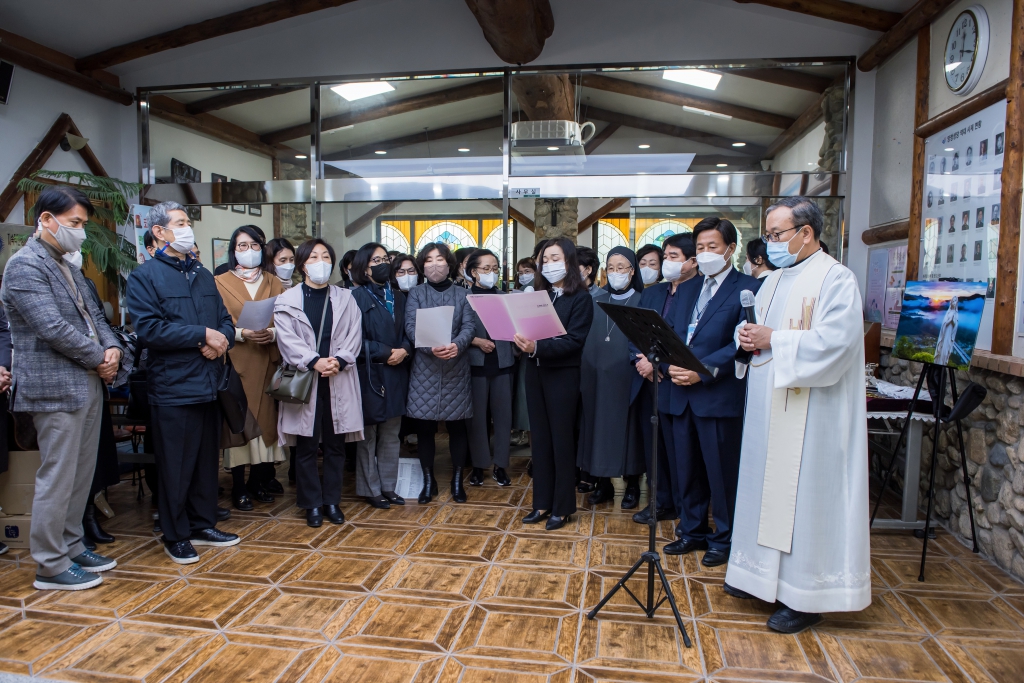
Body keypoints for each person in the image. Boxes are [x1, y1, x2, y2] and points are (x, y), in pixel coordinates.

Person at [728, 196, 869, 634]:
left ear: (806, 233)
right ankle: (760, 577)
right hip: (770, 406)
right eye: (768, 236)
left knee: (806, 497)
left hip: (814, 413)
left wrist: (777, 340)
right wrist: (747, 336)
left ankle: (806, 594)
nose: (769, 244)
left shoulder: (836, 279)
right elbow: (757, 333)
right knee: (764, 489)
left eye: (776, 235)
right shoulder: (773, 281)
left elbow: (837, 345)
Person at [1, 187, 122, 589]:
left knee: (81, 473)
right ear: (46, 220)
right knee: (58, 475)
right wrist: (98, 358)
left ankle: (72, 544)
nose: (81, 232)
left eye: (83, 224)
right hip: (54, 387)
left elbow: (96, 318)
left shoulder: (67, 264)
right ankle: (50, 563)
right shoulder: (24, 266)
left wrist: (113, 350)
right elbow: (51, 327)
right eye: (74, 223)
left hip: (86, 380)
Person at [125, 200, 239, 565]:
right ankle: (175, 534)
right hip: (173, 387)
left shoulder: (204, 275)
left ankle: (203, 523)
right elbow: (149, 329)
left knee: (207, 461)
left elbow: (224, 321)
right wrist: (201, 336)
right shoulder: (145, 276)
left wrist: (219, 338)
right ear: (159, 231)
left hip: (210, 383)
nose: (188, 227)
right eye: (181, 222)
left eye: (188, 222)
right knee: (176, 465)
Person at [661, 217, 760, 568]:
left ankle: (724, 538)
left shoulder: (749, 288)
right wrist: (666, 366)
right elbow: (668, 334)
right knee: (685, 469)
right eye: (699, 248)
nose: (704, 254)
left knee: (720, 473)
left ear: (730, 249)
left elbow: (742, 343)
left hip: (717, 394)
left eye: (711, 247)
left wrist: (701, 373)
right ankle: (692, 531)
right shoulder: (686, 289)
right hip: (678, 393)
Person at [275, 239, 363, 527]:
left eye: (326, 256)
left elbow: (354, 333)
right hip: (306, 380)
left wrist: (339, 359)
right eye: (313, 257)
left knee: (336, 446)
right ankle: (311, 504)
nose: (321, 261)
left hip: (338, 378)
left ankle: (332, 501)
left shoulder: (345, 298)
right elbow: (286, 340)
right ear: (302, 265)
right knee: (306, 447)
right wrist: (314, 360)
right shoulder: (287, 300)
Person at [515, 238, 594, 530]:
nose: (548, 265)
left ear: (570, 261)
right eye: (544, 260)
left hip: (563, 375)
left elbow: (574, 341)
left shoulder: (581, 298)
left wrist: (537, 347)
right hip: (535, 373)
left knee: (561, 442)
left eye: (555, 258)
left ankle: (562, 507)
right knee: (541, 442)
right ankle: (541, 504)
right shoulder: (539, 295)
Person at [215, 226, 286, 511]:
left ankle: (259, 481)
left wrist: (274, 335)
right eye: (242, 246)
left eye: (254, 245)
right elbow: (215, 322)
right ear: (233, 250)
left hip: (268, 360)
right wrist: (242, 334)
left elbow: (288, 320)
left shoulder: (273, 281)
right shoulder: (219, 282)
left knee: (267, 425)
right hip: (238, 362)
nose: (249, 251)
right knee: (240, 426)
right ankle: (239, 486)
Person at [630, 232, 698, 526]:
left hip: (678, 381)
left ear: (692, 261)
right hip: (648, 379)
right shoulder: (654, 291)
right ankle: (660, 501)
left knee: (679, 450)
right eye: (666, 256)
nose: (667, 263)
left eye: (673, 257)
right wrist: (640, 359)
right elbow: (635, 328)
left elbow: (690, 338)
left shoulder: (698, 291)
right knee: (654, 446)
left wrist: (659, 362)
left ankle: (686, 508)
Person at [405, 242, 476, 503]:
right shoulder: (416, 293)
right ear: (422, 265)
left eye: (440, 259)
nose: (435, 265)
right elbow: (410, 327)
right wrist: (429, 347)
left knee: (458, 427)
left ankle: (457, 481)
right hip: (425, 369)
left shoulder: (463, 294)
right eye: (429, 260)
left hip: (456, 367)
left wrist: (456, 345)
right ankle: (428, 481)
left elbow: (469, 327)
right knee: (425, 429)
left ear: (450, 264)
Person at [578, 246, 645, 509]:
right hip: (595, 379)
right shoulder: (595, 299)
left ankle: (632, 486)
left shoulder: (642, 300)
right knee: (597, 430)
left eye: (622, 268)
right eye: (612, 268)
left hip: (627, 378)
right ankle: (602, 483)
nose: (616, 273)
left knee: (629, 433)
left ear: (632, 271)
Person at [350, 243, 411, 508]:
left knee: (391, 433)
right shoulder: (355, 297)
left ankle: (389, 487)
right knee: (368, 435)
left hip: (397, 371)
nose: (383, 263)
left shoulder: (398, 296)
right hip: (370, 373)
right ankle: (370, 489)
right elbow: (353, 340)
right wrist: (387, 352)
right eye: (377, 260)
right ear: (365, 267)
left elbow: (410, 330)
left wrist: (405, 349)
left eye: (386, 258)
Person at [465, 249, 515, 488]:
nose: (491, 273)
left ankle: (501, 465)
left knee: (503, 418)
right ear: (473, 272)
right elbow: (456, 330)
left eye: (495, 269)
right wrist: (476, 341)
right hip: (475, 365)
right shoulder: (463, 298)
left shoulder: (505, 297)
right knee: (477, 420)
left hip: (503, 364)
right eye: (486, 269)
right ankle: (478, 465)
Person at [934, 296, 959, 365]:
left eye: (955, 301)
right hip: (944, 335)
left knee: (945, 352)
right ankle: (938, 362)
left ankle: (943, 363)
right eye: (953, 301)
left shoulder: (956, 314)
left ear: (957, 302)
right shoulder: (948, 312)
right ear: (951, 302)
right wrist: (949, 321)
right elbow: (944, 324)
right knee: (941, 351)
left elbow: (956, 326)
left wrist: (953, 321)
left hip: (949, 336)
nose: (954, 302)